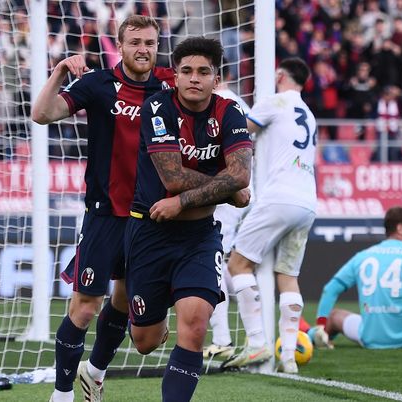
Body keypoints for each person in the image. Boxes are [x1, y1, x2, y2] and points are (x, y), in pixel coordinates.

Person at [31, 15, 175, 402]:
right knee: (84, 306)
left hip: (149, 219)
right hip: (104, 213)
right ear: (121, 45)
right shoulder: (98, 84)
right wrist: (61, 70)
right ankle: (61, 396)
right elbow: (42, 114)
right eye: (135, 42)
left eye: (149, 42)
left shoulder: (170, 84)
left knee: (126, 302)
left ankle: (94, 371)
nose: (142, 49)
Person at [125, 37, 252, 402]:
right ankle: (154, 321)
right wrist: (225, 189)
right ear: (175, 77)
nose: (194, 78)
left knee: (195, 327)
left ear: (216, 78)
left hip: (200, 237)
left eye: (203, 72)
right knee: (144, 343)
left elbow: (241, 174)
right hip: (149, 232)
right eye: (186, 71)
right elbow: (172, 177)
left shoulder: (230, 113)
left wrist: (183, 202)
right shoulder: (156, 108)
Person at [220, 57, 318, 374]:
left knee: (238, 264)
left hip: (279, 196)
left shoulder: (274, 102)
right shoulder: (310, 114)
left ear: (279, 75)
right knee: (288, 276)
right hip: (307, 201)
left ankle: (257, 343)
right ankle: (288, 356)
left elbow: (240, 130)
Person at [308, 206, 402, 351]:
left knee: (334, 316)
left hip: (370, 338)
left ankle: (313, 335)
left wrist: (321, 324)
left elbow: (330, 289)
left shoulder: (362, 256)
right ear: (400, 228)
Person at [203, 61, 252, 361]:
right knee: (232, 263)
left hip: (227, 191)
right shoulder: (241, 103)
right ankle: (253, 329)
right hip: (242, 189)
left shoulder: (222, 103)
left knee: (214, 260)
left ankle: (222, 338)